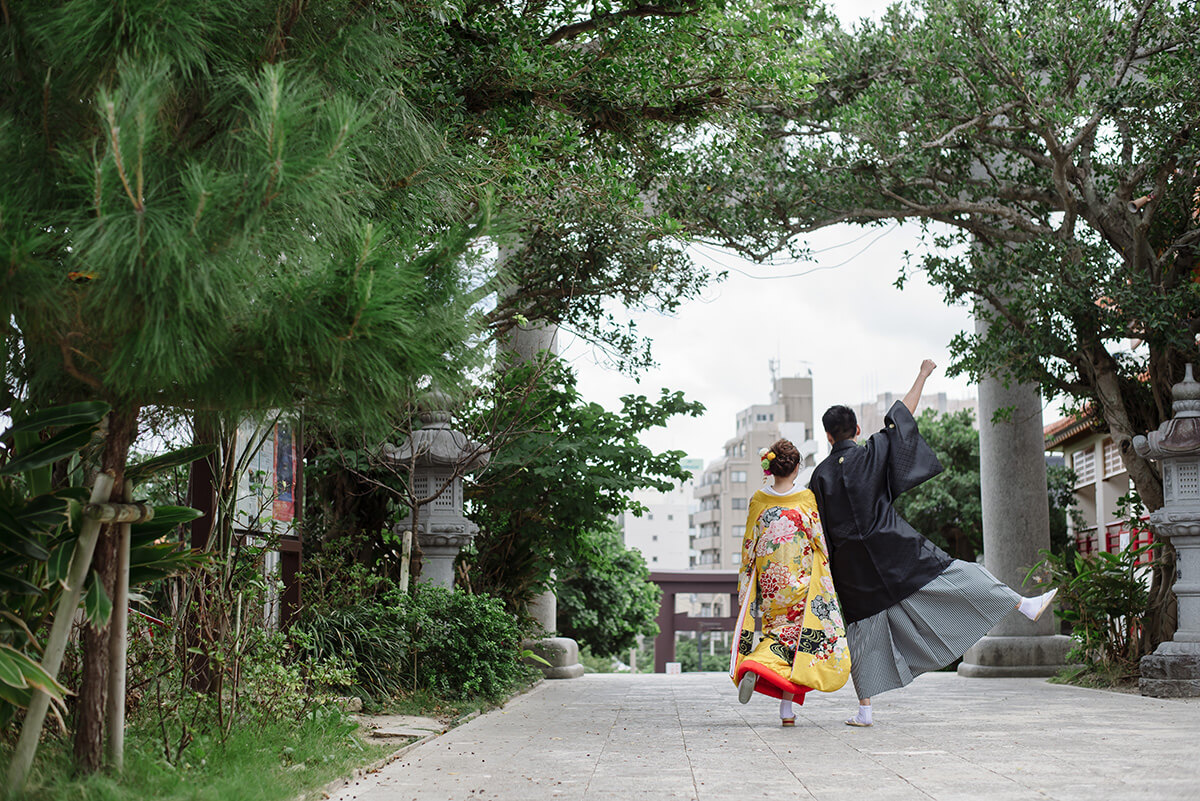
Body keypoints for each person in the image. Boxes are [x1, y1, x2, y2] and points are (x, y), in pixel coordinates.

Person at [809, 359, 1057, 728]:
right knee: (956, 574)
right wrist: (923, 374)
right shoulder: (871, 451)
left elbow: (816, 527)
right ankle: (1023, 604)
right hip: (893, 545)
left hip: (852, 563)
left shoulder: (820, 475)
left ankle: (865, 710)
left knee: (862, 629)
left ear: (828, 436)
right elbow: (901, 415)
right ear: (856, 429)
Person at [729, 439, 849, 726]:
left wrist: (747, 586)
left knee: (776, 635)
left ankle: (785, 708)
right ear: (796, 468)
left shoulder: (758, 500)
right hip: (801, 582)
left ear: (769, 467)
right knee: (797, 644)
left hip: (772, 585)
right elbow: (819, 539)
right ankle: (756, 668)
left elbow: (749, 544)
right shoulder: (805, 499)